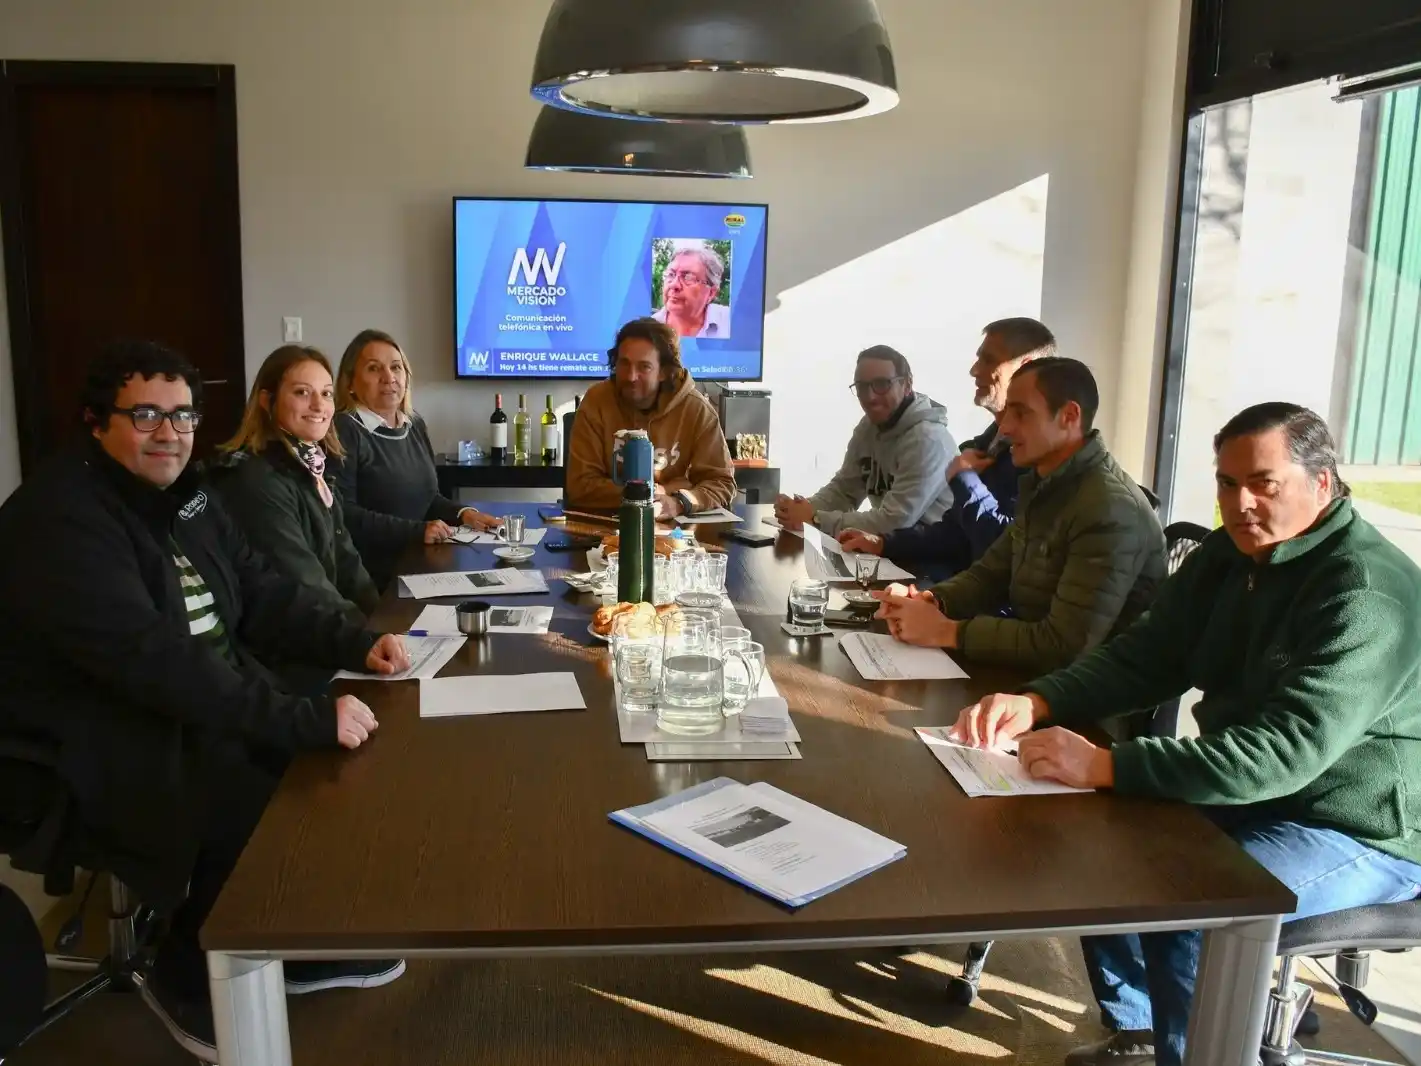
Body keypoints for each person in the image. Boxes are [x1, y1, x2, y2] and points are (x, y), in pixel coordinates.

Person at [951, 402, 1421, 1066]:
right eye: (1227, 483)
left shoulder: (1363, 594)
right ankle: (1143, 1031)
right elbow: (1146, 657)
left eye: (1263, 482)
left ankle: (1200, 1055)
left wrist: (1107, 766)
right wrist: (1039, 700)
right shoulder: (1230, 556)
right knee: (1101, 849)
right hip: (1257, 794)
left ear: (1321, 482)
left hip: (1356, 826)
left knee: (1199, 910)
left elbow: (1280, 755)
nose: (1240, 503)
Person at [0, 341, 411, 1061]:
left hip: (190, 699)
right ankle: (185, 966)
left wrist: (354, 644)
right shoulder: (61, 517)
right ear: (97, 421)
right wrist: (302, 717)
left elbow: (260, 589)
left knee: (328, 773)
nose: (171, 432)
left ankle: (277, 939)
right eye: (147, 415)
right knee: (269, 795)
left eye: (184, 415)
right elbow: (155, 665)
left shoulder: (185, 493)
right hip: (87, 734)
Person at [874, 357, 1165, 676]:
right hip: (1030, 676)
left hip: (1085, 708)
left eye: (1021, 413)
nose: (1006, 428)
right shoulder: (1044, 483)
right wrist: (929, 601)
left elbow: (1063, 645)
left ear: (1069, 416)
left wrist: (946, 631)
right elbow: (990, 573)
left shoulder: (1110, 510)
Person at [839, 318, 1055, 580]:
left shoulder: (1042, 459)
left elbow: (1007, 553)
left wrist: (966, 481)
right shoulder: (982, 447)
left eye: (988, 360)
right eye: (862, 387)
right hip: (964, 590)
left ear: (1026, 366)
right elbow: (955, 534)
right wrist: (883, 543)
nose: (974, 371)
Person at [213, 345, 379, 625]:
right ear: (268, 401)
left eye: (326, 394)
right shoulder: (257, 480)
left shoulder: (313, 466)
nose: (319, 406)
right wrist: (367, 638)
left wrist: (385, 621)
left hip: (330, 629)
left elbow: (347, 561)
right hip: (290, 645)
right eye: (302, 392)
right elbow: (305, 584)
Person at [332, 329, 500, 589]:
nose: (389, 378)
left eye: (396, 367)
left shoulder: (414, 424)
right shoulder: (344, 428)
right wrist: (417, 531)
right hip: (375, 577)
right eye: (374, 369)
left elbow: (428, 498)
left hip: (423, 563)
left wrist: (464, 514)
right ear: (350, 383)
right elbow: (344, 515)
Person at [774, 345, 957, 537]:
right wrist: (801, 509)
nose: (870, 397)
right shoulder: (868, 427)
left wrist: (816, 519)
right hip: (893, 547)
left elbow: (895, 521)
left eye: (882, 384)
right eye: (861, 387)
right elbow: (844, 490)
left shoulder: (927, 439)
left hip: (936, 555)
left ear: (907, 384)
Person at [566, 316, 736, 517]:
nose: (631, 376)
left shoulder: (696, 409)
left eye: (644, 367)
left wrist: (679, 502)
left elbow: (722, 483)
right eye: (624, 364)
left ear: (664, 372)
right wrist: (656, 491)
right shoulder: (597, 401)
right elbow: (579, 487)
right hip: (604, 527)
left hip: (676, 533)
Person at [652, 240, 730, 339]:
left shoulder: (729, 322)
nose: (674, 285)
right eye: (671, 275)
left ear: (711, 293)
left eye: (688, 277)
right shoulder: (648, 330)